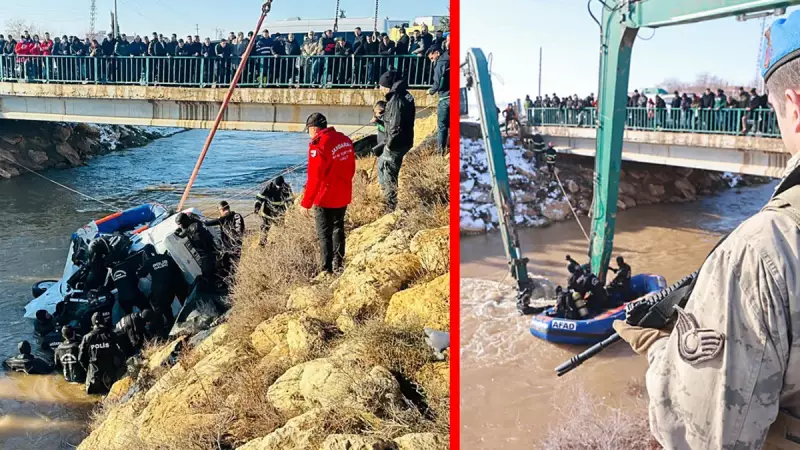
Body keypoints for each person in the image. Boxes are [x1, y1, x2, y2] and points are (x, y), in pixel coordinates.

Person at [611, 12, 800, 449]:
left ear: (793, 106)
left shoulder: (759, 254)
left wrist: (665, 348)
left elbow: (701, 435)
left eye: (772, 111)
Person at [300, 113, 356, 274]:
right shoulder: (344, 140)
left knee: (324, 234)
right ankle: (339, 264)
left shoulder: (318, 145)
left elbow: (314, 177)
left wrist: (306, 203)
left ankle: (326, 269)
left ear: (314, 129)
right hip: (343, 192)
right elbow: (351, 167)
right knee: (338, 228)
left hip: (324, 196)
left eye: (309, 130)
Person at [378, 71, 415, 212]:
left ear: (388, 86)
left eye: (381, 86)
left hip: (396, 144)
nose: (380, 89)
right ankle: (388, 200)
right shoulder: (405, 95)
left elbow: (395, 126)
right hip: (404, 140)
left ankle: (390, 206)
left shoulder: (396, 100)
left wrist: (388, 146)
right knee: (382, 165)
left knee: (389, 173)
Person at [137, 244, 183, 332]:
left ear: (147, 254)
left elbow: (140, 274)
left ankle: (169, 328)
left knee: (163, 309)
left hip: (160, 291)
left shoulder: (149, 262)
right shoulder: (166, 257)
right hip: (173, 287)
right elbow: (176, 269)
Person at [79, 312, 122, 394]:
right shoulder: (111, 335)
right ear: (103, 321)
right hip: (110, 376)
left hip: (93, 378)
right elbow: (120, 353)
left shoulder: (86, 337)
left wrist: (88, 370)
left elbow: (80, 358)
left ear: (92, 323)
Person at [204, 201, 245, 279]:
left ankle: (231, 284)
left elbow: (209, 223)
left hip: (232, 247)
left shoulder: (229, 218)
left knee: (229, 266)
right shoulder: (233, 217)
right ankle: (229, 281)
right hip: (233, 247)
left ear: (222, 209)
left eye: (220, 211)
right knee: (229, 267)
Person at [174, 213, 217, 283]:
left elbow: (182, 235)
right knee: (210, 268)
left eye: (180, 224)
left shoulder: (192, 228)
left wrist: (177, 232)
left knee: (206, 271)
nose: (180, 226)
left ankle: (213, 286)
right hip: (210, 248)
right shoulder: (195, 222)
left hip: (205, 253)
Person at [427, 45, 450, 155]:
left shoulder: (440, 62)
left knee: (442, 126)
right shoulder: (449, 57)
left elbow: (438, 82)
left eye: (432, 58)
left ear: (436, 53)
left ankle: (440, 151)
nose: (432, 61)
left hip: (445, 98)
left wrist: (431, 91)